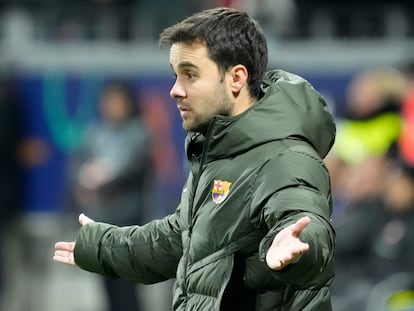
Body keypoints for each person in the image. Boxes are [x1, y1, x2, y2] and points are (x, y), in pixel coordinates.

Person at [54, 7, 336, 310]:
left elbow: (306, 223)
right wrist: (101, 246)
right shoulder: (219, 153)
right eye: (175, 76)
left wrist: (297, 246)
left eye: (190, 74)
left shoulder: (284, 157)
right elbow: (179, 240)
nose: (175, 91)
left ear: (236, 78)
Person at [67, 81, 152, 311]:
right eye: (108, 101)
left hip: (128, 226)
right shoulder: (95, 133)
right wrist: (84, 180)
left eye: (117, 101)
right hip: (100, 224)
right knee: (107, 289)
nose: (112, 106)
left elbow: (129, 168)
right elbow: (77, 168)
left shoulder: (139, 132)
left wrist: (104, 175)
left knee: (127, 291)